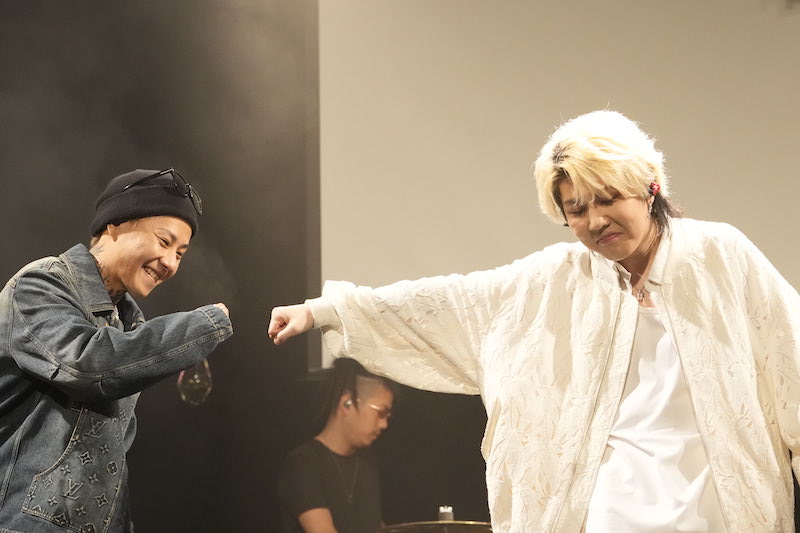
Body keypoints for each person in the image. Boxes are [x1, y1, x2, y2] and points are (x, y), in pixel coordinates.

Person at [268, 110, 800, 532]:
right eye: (577, 210)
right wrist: (325, 311)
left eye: (608, 199)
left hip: (718, 510)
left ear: (650, 187)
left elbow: (791, 363)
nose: (595, 221)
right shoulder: (558, 280)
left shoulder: (721, 256)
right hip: (611, 513)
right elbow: (455, 300)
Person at [0, 168, 233, 533]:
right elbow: (88, 364)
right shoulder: (40, 284)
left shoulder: (127, 323)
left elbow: (111, 460)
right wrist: (203, 325)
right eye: (164, 241)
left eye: (180, 253)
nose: (171, 262)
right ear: (115, 225)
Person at [277, 358, 394, 533]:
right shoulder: (303, 463)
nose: (384, 424)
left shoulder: (367, 461)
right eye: (381, 413)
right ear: (347, 403)